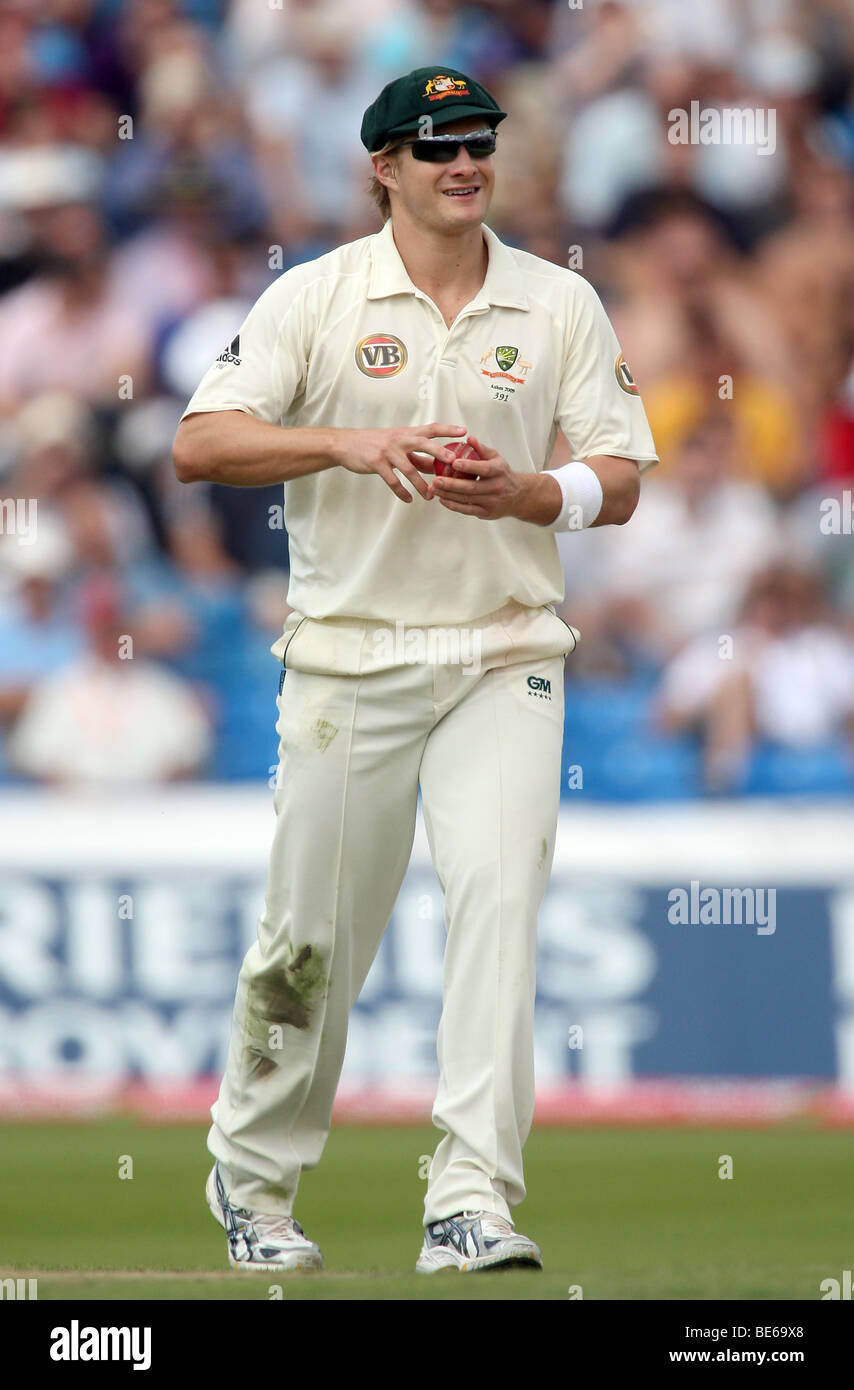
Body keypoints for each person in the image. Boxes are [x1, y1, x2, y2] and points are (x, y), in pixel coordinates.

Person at [172, 66, 657, 1276]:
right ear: (381, 166)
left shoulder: (557, 304)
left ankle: (469, 1197)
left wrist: (536, 492)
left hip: (506, 651)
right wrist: (347, 440)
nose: (463, 164)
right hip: (347, 660)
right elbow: (198, 444)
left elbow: (622, 471)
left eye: (477, 144)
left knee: (500, 905)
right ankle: (256, 1175)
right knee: (310, 945)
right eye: (434, 146)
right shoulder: (315, 298)